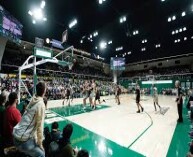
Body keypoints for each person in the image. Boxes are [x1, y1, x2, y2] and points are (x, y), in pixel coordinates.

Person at [13, 82, 47, 157]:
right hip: (21, 140)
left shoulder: (33, 99)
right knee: (42, 154)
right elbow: (40, 126)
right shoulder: (41, 104)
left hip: (16, 134)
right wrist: (40, 143)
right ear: (44, 91)